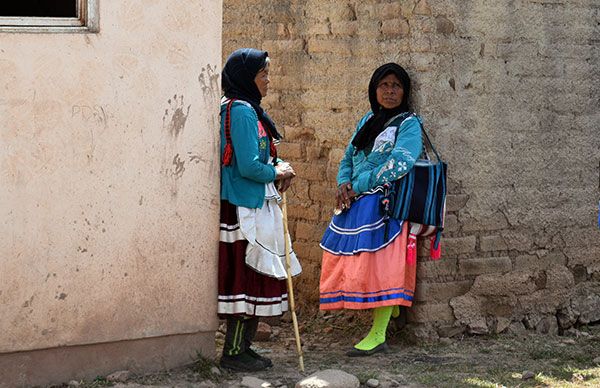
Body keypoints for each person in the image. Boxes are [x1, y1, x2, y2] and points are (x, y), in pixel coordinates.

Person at [319, 63, 423, 356]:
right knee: (362, 264)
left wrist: (360, 184)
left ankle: (378, 334)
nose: (390, 92)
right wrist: (343, 182)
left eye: (396, 86)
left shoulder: (409, 124)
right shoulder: (368, 120)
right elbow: (349, 156)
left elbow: (401, 162)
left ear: (405, 91)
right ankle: (381, 320)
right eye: (384, 85)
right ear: (374, 89)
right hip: (357, 203)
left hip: (386, 204)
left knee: (384, 266)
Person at [218, 48, 301, 371]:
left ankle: (244, 346)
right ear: (245, 78)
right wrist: (276, 173)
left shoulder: (248, 109)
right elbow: (249, 166)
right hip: (244, 206)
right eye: (263, 74)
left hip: (254, 201)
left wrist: (278, 165)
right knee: (246, 276)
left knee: (254, 274)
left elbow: (262, 156)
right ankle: (234, 351)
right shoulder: (241, 111)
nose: (268, 81)